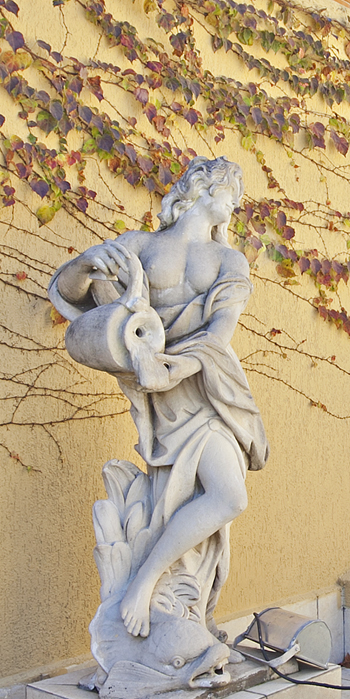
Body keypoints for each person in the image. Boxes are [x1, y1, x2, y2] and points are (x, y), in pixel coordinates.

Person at [49, 159, 268, 665]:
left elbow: (219, 333)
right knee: (173, 498)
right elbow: (69, 292)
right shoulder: (140, 247)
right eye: (230, 188)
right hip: (161, 399)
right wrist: (88, 263)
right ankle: (158, 606)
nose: (235, 200)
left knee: (229, 497)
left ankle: (145, 584)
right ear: (201, 189)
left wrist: (173, 368)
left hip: (206, 387)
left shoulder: (229, 260)